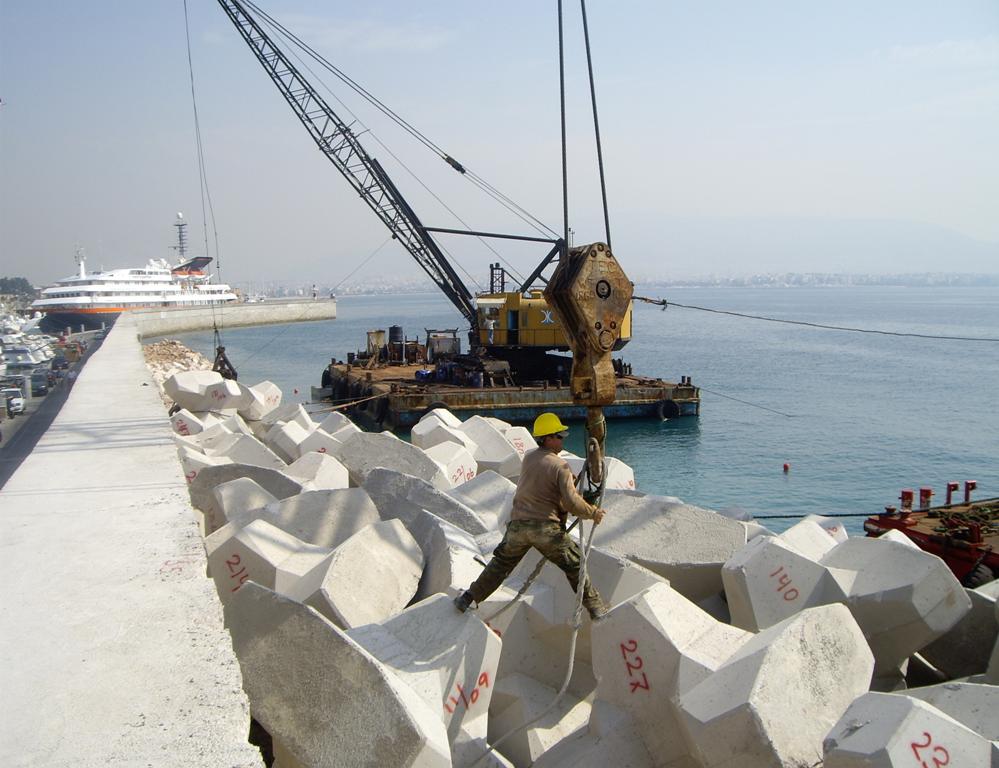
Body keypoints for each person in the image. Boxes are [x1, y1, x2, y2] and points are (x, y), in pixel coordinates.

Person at [455, 412, 609, 619]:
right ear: (548, 438)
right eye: (559, 436)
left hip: (517, 527)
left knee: (499, 566)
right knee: (576, 563)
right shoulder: (560, 466)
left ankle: (468, 598)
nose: (563, 439)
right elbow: (571, 503)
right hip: (545, 529)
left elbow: (544, 487)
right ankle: (596, 608)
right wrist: (593, 512)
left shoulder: (528, 458)